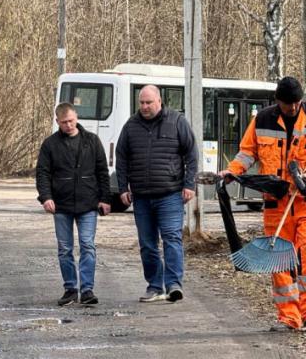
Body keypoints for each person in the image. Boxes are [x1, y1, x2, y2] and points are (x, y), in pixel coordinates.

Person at [218, 77, 306, 331]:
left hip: (302, 201)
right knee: (279, 261)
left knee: (304, 256)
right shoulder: (263, 120)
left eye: (296, 103)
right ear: (278, 101)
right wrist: (232, 171)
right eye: (288, 103)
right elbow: (247, 152)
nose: (292, 108)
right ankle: (289, 317)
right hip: (275, 203)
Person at [116, 85, 198, 303]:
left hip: (170, 194)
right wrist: (123, 187)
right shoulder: (131, 126)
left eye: (148, 102)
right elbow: (121, 158)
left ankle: (173, 285)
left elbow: (191, 154)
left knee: (172, 238)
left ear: (159, 101)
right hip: (141, 196)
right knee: (147, 244)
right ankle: (154, 286)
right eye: (141, 103)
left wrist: (189, 184)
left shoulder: (177, 122)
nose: (144, 106)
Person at [37, 103, 111, 306]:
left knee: (87, 245)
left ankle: (87, 289)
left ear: (76, 117)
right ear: (57, 122)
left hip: (88, 203)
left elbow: (102, 172)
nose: (68, 125)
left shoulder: (92, 141)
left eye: (71, 121)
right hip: (61, 204)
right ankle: (70, 288)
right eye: (64, 122)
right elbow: (43, 173)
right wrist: (46, 197)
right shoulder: (50, 145)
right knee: (65, 248)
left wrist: (105, 199)